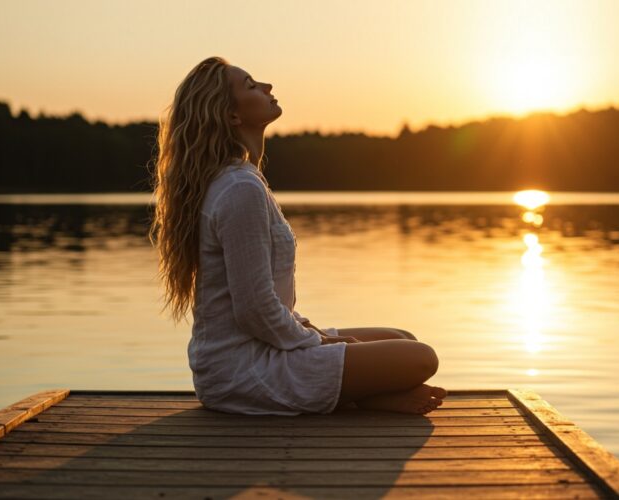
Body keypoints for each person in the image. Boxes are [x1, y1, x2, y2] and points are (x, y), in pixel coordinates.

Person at [149, 56, 447, 416]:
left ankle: (367, 396)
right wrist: (318, 340)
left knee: (401, 339)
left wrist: (315, 334)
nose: (267, 87)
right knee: (419, 358)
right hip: (242, 370)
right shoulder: (238, 188)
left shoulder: (243, 179)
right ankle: (368, 398)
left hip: (261, 349)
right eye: (250, 85)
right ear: (232, 115)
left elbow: (264, 304)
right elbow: (254, 311)